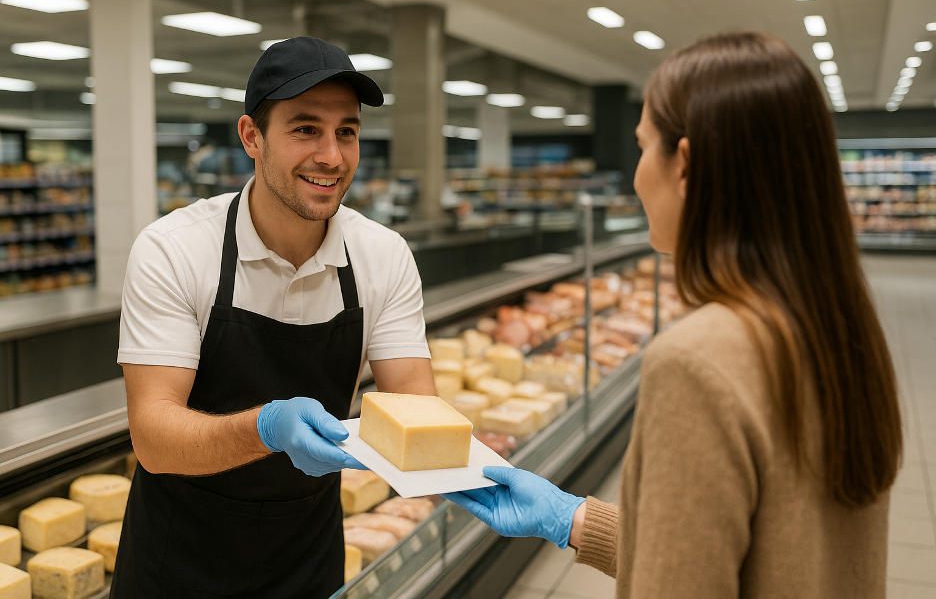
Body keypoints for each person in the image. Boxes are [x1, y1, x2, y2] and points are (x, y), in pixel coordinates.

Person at [444, 32, 903, 598]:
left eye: (642, 146)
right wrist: (572, 519)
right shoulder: (836, 324)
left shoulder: (697, 359)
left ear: (684, 165)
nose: (637, 176)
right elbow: (773, 541)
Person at [112, 37, 436, 599]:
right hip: (177, 560)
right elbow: (153, 435)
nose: (331, 156)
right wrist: (265, 428)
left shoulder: (383, 256)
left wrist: (468, 468)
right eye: (305, 129)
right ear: (251, 137)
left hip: (306, 557)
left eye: (347, 132)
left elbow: (415, 404)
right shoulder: (174, 249)